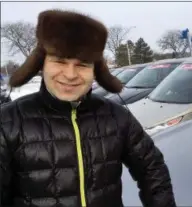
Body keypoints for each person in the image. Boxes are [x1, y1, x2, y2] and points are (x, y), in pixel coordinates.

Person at [0, 9, 176, 207]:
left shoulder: (117, 117)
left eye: (82, 64)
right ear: (42, 65)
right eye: (60, 61)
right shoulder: (8, 122)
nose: (70, 74)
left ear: (95, 70)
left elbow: (153, 171)